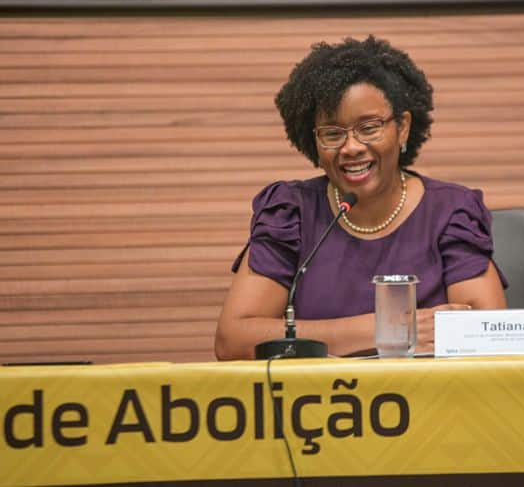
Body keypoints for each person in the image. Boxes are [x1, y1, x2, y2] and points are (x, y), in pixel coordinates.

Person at [215, 36, 506, 360]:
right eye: (333, 133)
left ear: (403, 127)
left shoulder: (450, 213)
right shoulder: (291, 214)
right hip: (322, 404)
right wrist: (389, 330)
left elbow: (484, 336)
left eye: (369, 128)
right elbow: (234, 340)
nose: (351, 147)